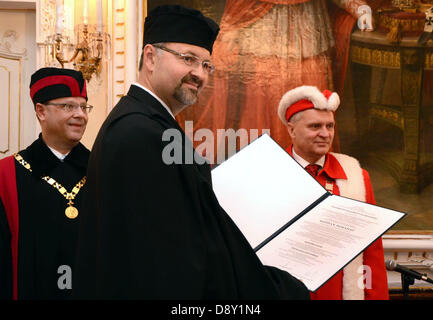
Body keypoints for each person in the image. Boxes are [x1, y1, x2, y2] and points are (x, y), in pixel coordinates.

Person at [73, 5, 309, 299]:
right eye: (188, 59)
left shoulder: (146, 125)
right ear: (150, 57)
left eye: (206, 65)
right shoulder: (142, 134)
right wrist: (279, 288)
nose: (199, 73)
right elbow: (175, 263)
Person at [176, 0, 382, 160]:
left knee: (311, 99)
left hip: (307, 33)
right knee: (259, 100)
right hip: (257, 29)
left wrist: (360, 8)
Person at [277, 85, 389, 299]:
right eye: (315, 126)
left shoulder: (356, 176)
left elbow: (372, 251)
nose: (325, 134)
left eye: (330, 126)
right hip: (282, 291)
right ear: (291, 129)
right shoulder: (268, 173)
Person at [0, 67, 91, 299]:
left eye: (84, 106)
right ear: (41, 111)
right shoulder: (6, 175)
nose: (80, 114)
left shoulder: (102, 170)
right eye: (69, 106)